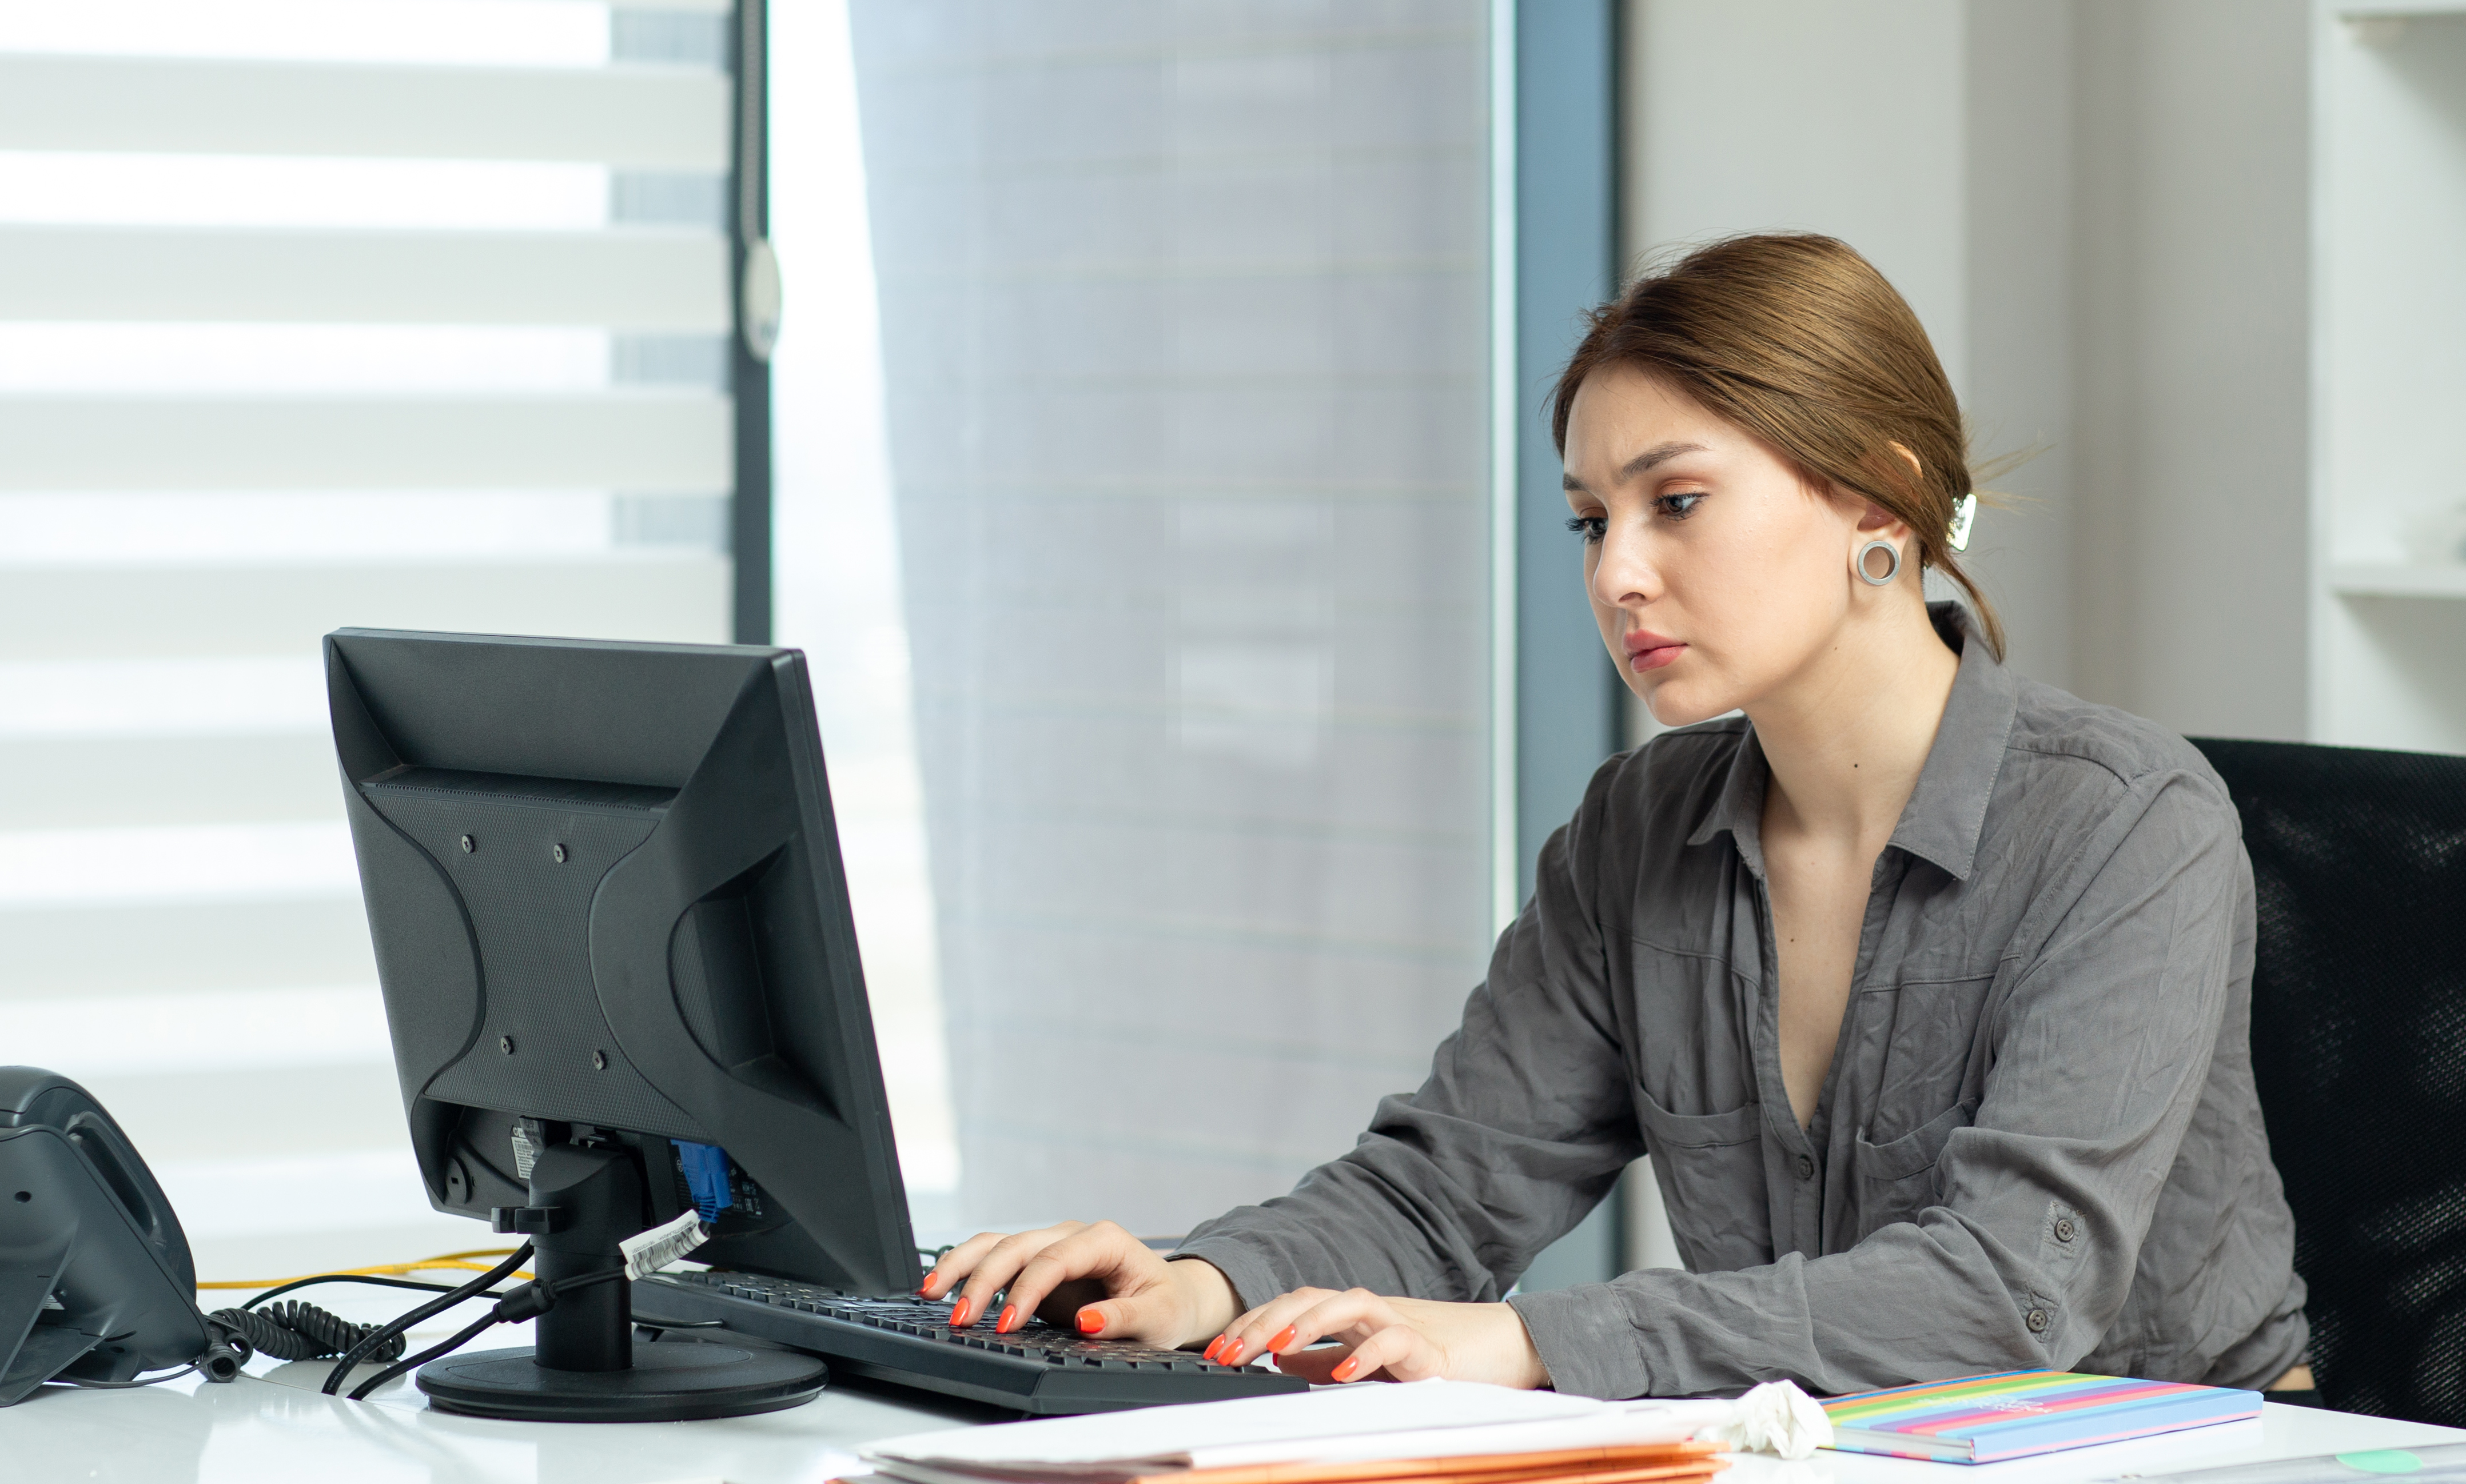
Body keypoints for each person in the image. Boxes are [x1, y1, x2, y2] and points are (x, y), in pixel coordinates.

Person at [921, 231, 2310, 1400]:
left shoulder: (2129, 826)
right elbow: (1448, 1190)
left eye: (1679, 501)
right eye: (1592, 521)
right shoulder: (1641, 829)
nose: (1621, 573)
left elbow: (2005, 1298)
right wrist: (1197, 1283)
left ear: (1878, 506)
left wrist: (1532, 1343)